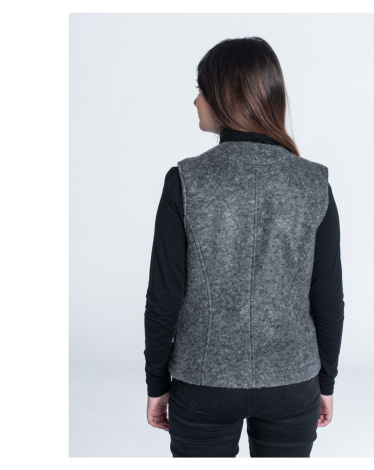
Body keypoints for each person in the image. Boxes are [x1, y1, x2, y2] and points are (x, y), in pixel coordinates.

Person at [144, 36, 345, 458]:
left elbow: (164, 299)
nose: (195, 101)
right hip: (293, 382)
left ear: (226, 96)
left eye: (201, 89)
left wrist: (157, 384)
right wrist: (325, 383)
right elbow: (327, 299)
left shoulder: (185, 181)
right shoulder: (313, 184)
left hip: (203, 382)